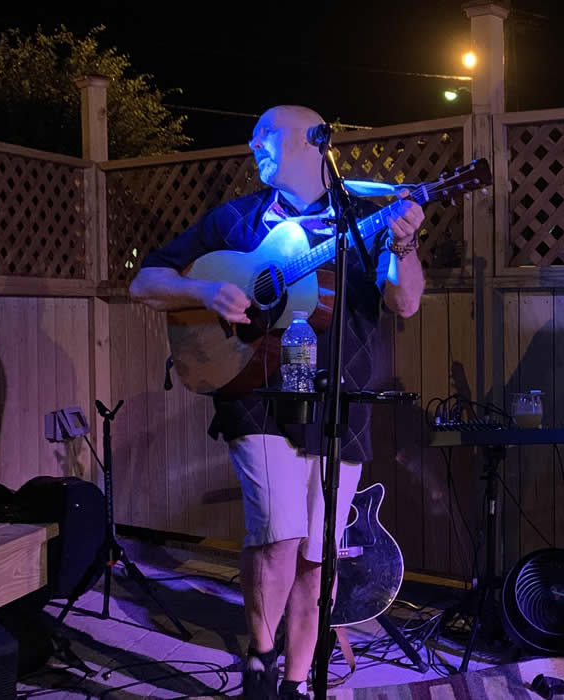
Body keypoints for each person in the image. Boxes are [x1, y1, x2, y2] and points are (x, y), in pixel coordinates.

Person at [129, 105, 425, 699]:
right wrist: (203, 289)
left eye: (263, 136)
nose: (251, 144)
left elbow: (407, 303)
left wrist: (408, 245)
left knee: (319, 555)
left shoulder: (364, 217)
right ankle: (260, 663)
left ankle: (293, 682)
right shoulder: (235, 220)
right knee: (278, 534)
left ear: (308, 143)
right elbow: (144, 281)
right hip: (257, 394)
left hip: (342, 401)